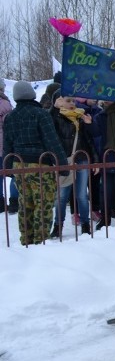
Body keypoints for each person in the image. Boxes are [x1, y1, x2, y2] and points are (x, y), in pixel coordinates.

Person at [2, 81, 68, 245]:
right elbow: (52, 141)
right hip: (41, 165)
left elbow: (7, 145)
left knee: (25, 203)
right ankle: (41, 240)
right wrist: (62, 165)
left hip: (20, 165)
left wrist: (8, 166)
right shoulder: (41, 114)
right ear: (31, 94)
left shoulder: (10, 117)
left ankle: (26, 238)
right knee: (43, 203)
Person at [49, 92, 97, 237]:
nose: (72, 104)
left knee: (82, 195)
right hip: (64, 161)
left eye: (73, 101)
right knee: (62, 196)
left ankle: (85, 225)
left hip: (82, 158)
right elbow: (48, 127)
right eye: (68, 100)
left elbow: (91, 140)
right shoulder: (55, 117)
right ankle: (58, 226)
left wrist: (89, 125)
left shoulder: (80, 117)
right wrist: (54, 108)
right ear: (59, 101)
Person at [0, 79, 13, 213]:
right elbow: (9, 124)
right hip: (3, 144)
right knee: (10, 173)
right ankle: (9, 202)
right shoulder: (4, 104)